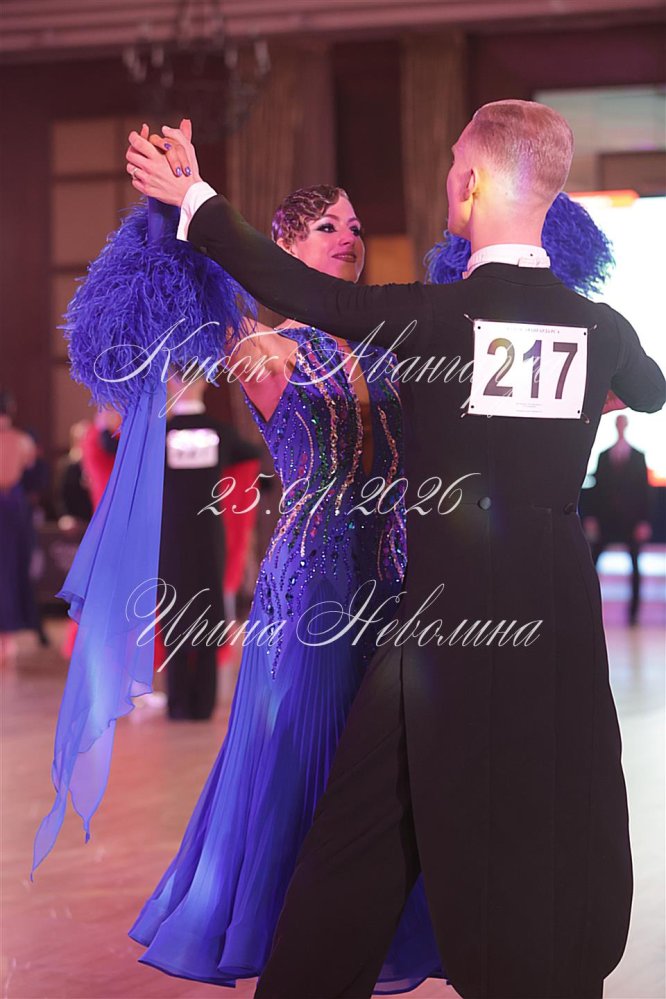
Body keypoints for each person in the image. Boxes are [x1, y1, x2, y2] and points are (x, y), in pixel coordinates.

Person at [126, 100, 666, 999]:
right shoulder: (597, 327)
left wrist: (196, 200)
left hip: (442, 620)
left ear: (472, 183)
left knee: (361, 830)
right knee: (550, 804)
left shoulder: (434, 317)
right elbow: (648, 391)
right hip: (556, 617)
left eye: (453, 163)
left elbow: (308, 295)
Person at [128, 180, 443, 992]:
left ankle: (372, 926)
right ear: (288, 245)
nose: (349, 236)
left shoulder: (388, 346)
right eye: (328, 224)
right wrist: (181, 208)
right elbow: (199, 297)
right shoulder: (265, 347)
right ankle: (292, 936)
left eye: (356, 224)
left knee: (385, 761)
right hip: (310, 586)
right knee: (303, 757)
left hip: (392, 579)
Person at [159, 367, 260, 720]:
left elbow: (114, 447)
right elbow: (255, 457)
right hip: (203, 536)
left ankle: (182, 702)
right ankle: (198, 702)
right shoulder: (221, 433)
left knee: (179, 606)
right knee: (198, 606)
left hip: (175, 537)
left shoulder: (161, 434)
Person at [586, 414, 652, 625]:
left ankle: (633, 614)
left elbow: (644, 491)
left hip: (631, 521)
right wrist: (591, 517)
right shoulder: (604, 456)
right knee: (591, 564)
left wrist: (643, 521)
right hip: (606, 519)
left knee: (635, 566)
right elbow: (596, 490)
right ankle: (586, 607)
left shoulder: (638, 456)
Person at [0, 389, 39, 663]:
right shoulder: (23, 440)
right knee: (10, 570)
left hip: (11, 509)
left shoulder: (22, 440)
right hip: (14, 508)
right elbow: (31, 467)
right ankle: (8, 638)